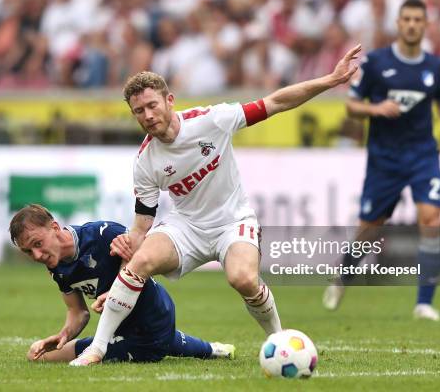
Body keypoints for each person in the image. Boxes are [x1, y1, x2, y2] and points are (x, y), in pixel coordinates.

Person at [69, 44, 362, 366]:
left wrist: (331, 80)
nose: (148, 116)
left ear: (170, 100)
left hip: (233, 221)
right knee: (141, 261)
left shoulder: (213, 120)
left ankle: (278, 338)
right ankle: (96, 348)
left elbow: (276, 102)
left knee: (244, 280)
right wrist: (126, 264)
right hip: (186, 227)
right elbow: (142, 226)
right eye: (139, 111)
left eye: (152, 105)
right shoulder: (145, 162)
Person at [322, 0, 440, 321]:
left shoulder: (435, 66)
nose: (413, 25)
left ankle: (424, 303)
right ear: (399, 24)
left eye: (419, 20)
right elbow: (351, 105)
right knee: (370, 227)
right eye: (408, 20)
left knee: (430, 218)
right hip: (384, 160)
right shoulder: (376, 63)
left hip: (423, 156)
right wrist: (376, 108)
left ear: (425, 25)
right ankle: (343, 276)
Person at [9, 204, 235, 364]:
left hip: (154, 316)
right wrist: (63, 335)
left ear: (55, 228)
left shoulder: (102, 234)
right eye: (28, 251)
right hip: (125, 331)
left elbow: (148, 252)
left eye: (37, 243)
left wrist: (127, 260)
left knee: (45, 358)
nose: (37, 255)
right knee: (36, 354)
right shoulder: (56, 267)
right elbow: (77, 312)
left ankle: (203, 348)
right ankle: (214, 350)